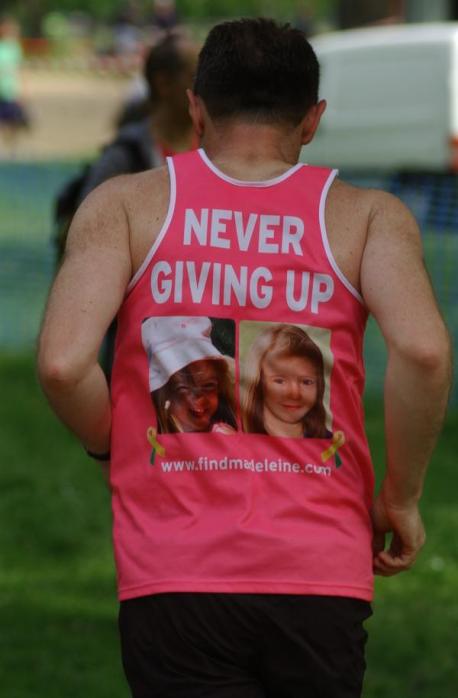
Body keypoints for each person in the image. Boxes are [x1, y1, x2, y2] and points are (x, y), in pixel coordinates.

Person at [37, 17, 452, 698]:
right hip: (319, 568)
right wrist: (400, 496)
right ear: (313, 119)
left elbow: (60, 364)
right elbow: (426, 352)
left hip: (173, 570)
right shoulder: (367, 217)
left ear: (196, 108)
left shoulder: (125, 205)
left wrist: (112, 441)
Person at [142, 315, 237, 433]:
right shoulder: (152, 436)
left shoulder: (225, 429)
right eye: (183, 389)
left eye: (208, 386)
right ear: (161, 396)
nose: (199, 401)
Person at [241, 323, 330, 438]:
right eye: (279, 381)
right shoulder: (237, 437)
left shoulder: (330, 443)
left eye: (306, 382)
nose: (294, 393)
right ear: (258, 383)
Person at [0, 16, 29, 153]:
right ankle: (6, 147)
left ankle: (11, 147)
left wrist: (23, 91)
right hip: (2, 90)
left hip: (11, 89)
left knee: (13, 120)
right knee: (4, 120)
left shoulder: (14, 48)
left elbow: (19, 71)